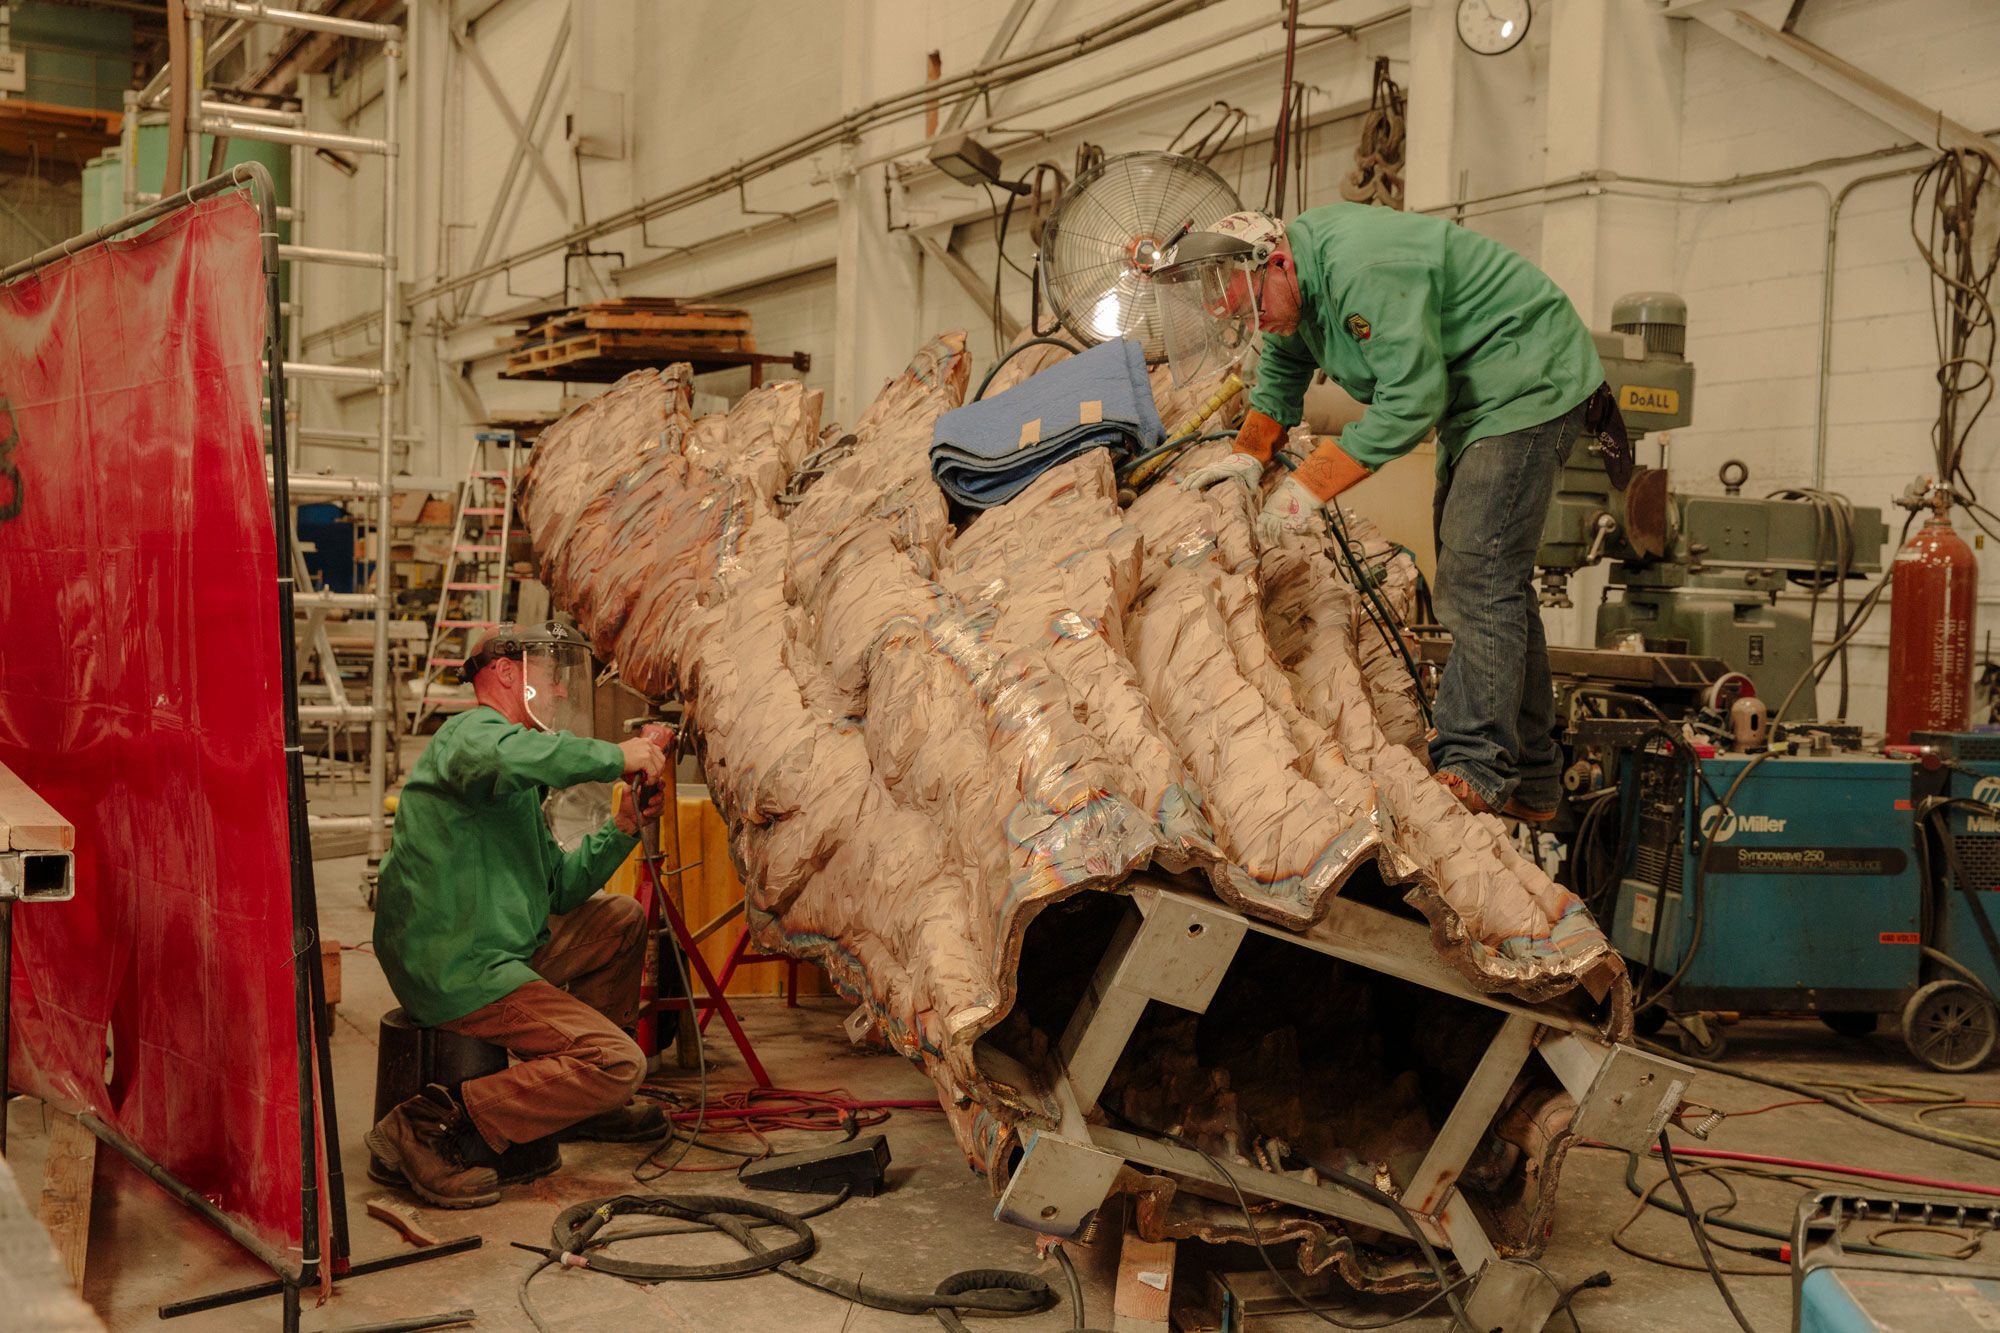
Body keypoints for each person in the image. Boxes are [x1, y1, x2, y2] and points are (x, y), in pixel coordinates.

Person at [1158, 205, 1620, 823]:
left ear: (1277, 262)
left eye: (1252, 308)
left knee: (1476, 578)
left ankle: (1475, 764)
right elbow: (1284, 364)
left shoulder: (1361, 270)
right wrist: (1248, 453)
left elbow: (1410, 401)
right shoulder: (1294, 285)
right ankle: (1533, 778)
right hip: (1478, 397)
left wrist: (1310, 485)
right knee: (1492, 579)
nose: (1255, 322)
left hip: (1526, 378)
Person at [366, 621, 672, 1208]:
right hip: (457, 966)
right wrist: (616, 756)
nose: (560, 694)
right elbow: (512, 754)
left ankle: (575, 1104)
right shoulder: (471, 737)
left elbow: (559, 892)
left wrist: (623, 829)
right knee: (616, 1063)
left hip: (498, 946)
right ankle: (432, 1124)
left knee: (622, 919)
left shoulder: (515, 780)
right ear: (505, 672)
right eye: (553, 678)